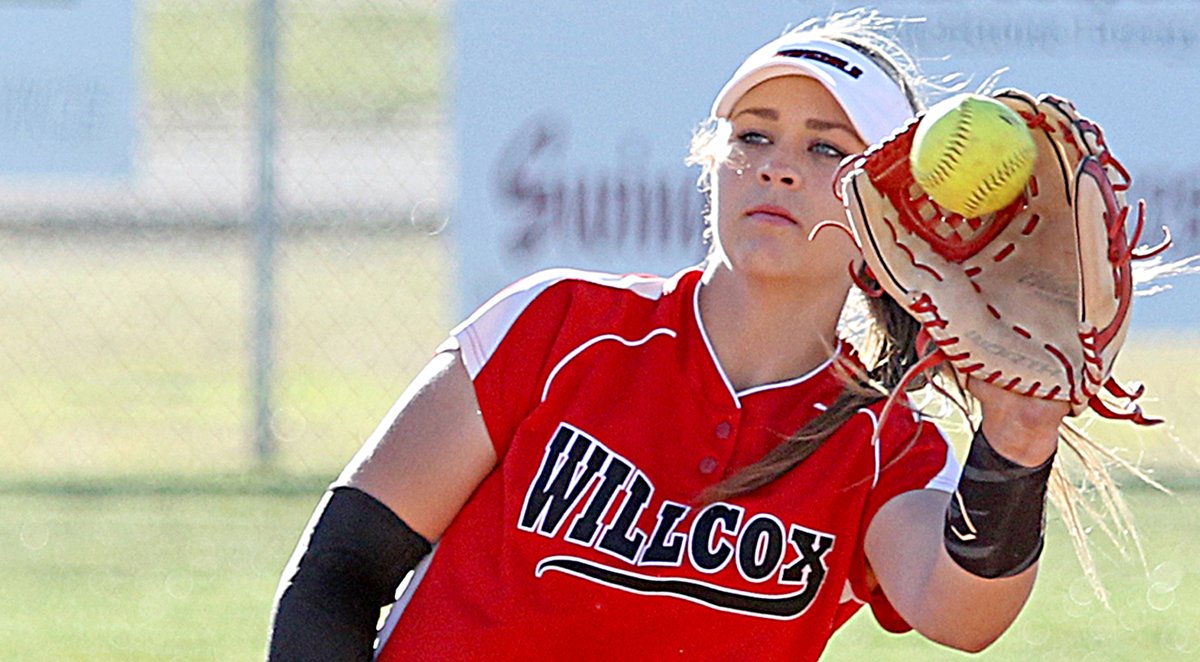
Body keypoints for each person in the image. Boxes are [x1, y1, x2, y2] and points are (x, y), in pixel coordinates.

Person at [267, 10, 1076, 660]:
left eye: (826, 148)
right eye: (753, 134)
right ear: (711, 161)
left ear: (889, 218)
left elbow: (962, 614)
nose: (775, 166)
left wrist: (1019, 437)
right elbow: (339, 575)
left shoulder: (880, 442)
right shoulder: (561, 327)